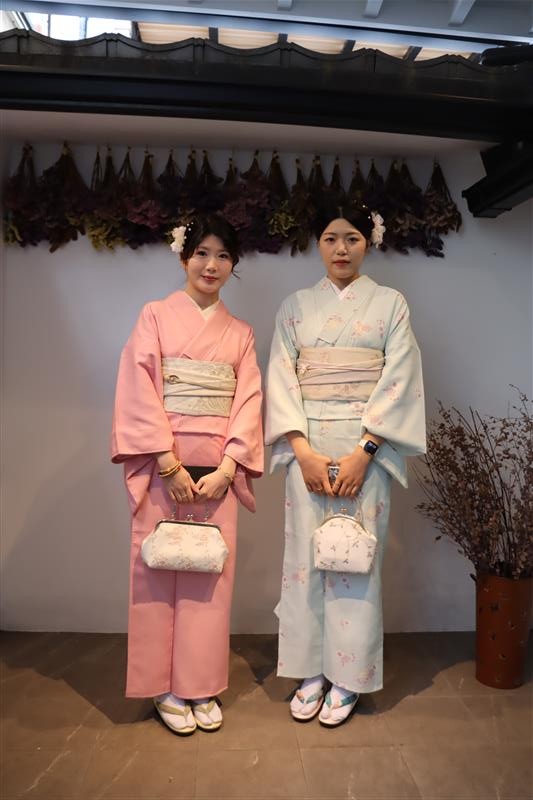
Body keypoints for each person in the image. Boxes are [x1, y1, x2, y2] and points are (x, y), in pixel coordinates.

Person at [265, 202, 425, 728]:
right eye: (331, 238)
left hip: (365, 453)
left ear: (368, 243)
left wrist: (366, 451)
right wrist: (302, 450)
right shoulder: (294, 307)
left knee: (357, 558)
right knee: (304, 560)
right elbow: (281, 378)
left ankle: (349, 676)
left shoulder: (391, 305)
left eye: (352, 238)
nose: (341, 249)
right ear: (318, 244)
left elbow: (400, 377)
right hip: (307, 451)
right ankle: (310, 670)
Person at [111, 214, 263, 735]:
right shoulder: (154, 316)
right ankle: (162, 687)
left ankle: (199, 684)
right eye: (201, 253)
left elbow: (248, 401)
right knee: (158, 570)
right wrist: (166, 462)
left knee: (207, 577)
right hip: (163, 465)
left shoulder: (241, 334)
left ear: (233, 265)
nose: (211, 265)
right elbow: (138, 387)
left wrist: (229, 467)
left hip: (217, 472)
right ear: (183, 257)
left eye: (223, 255)